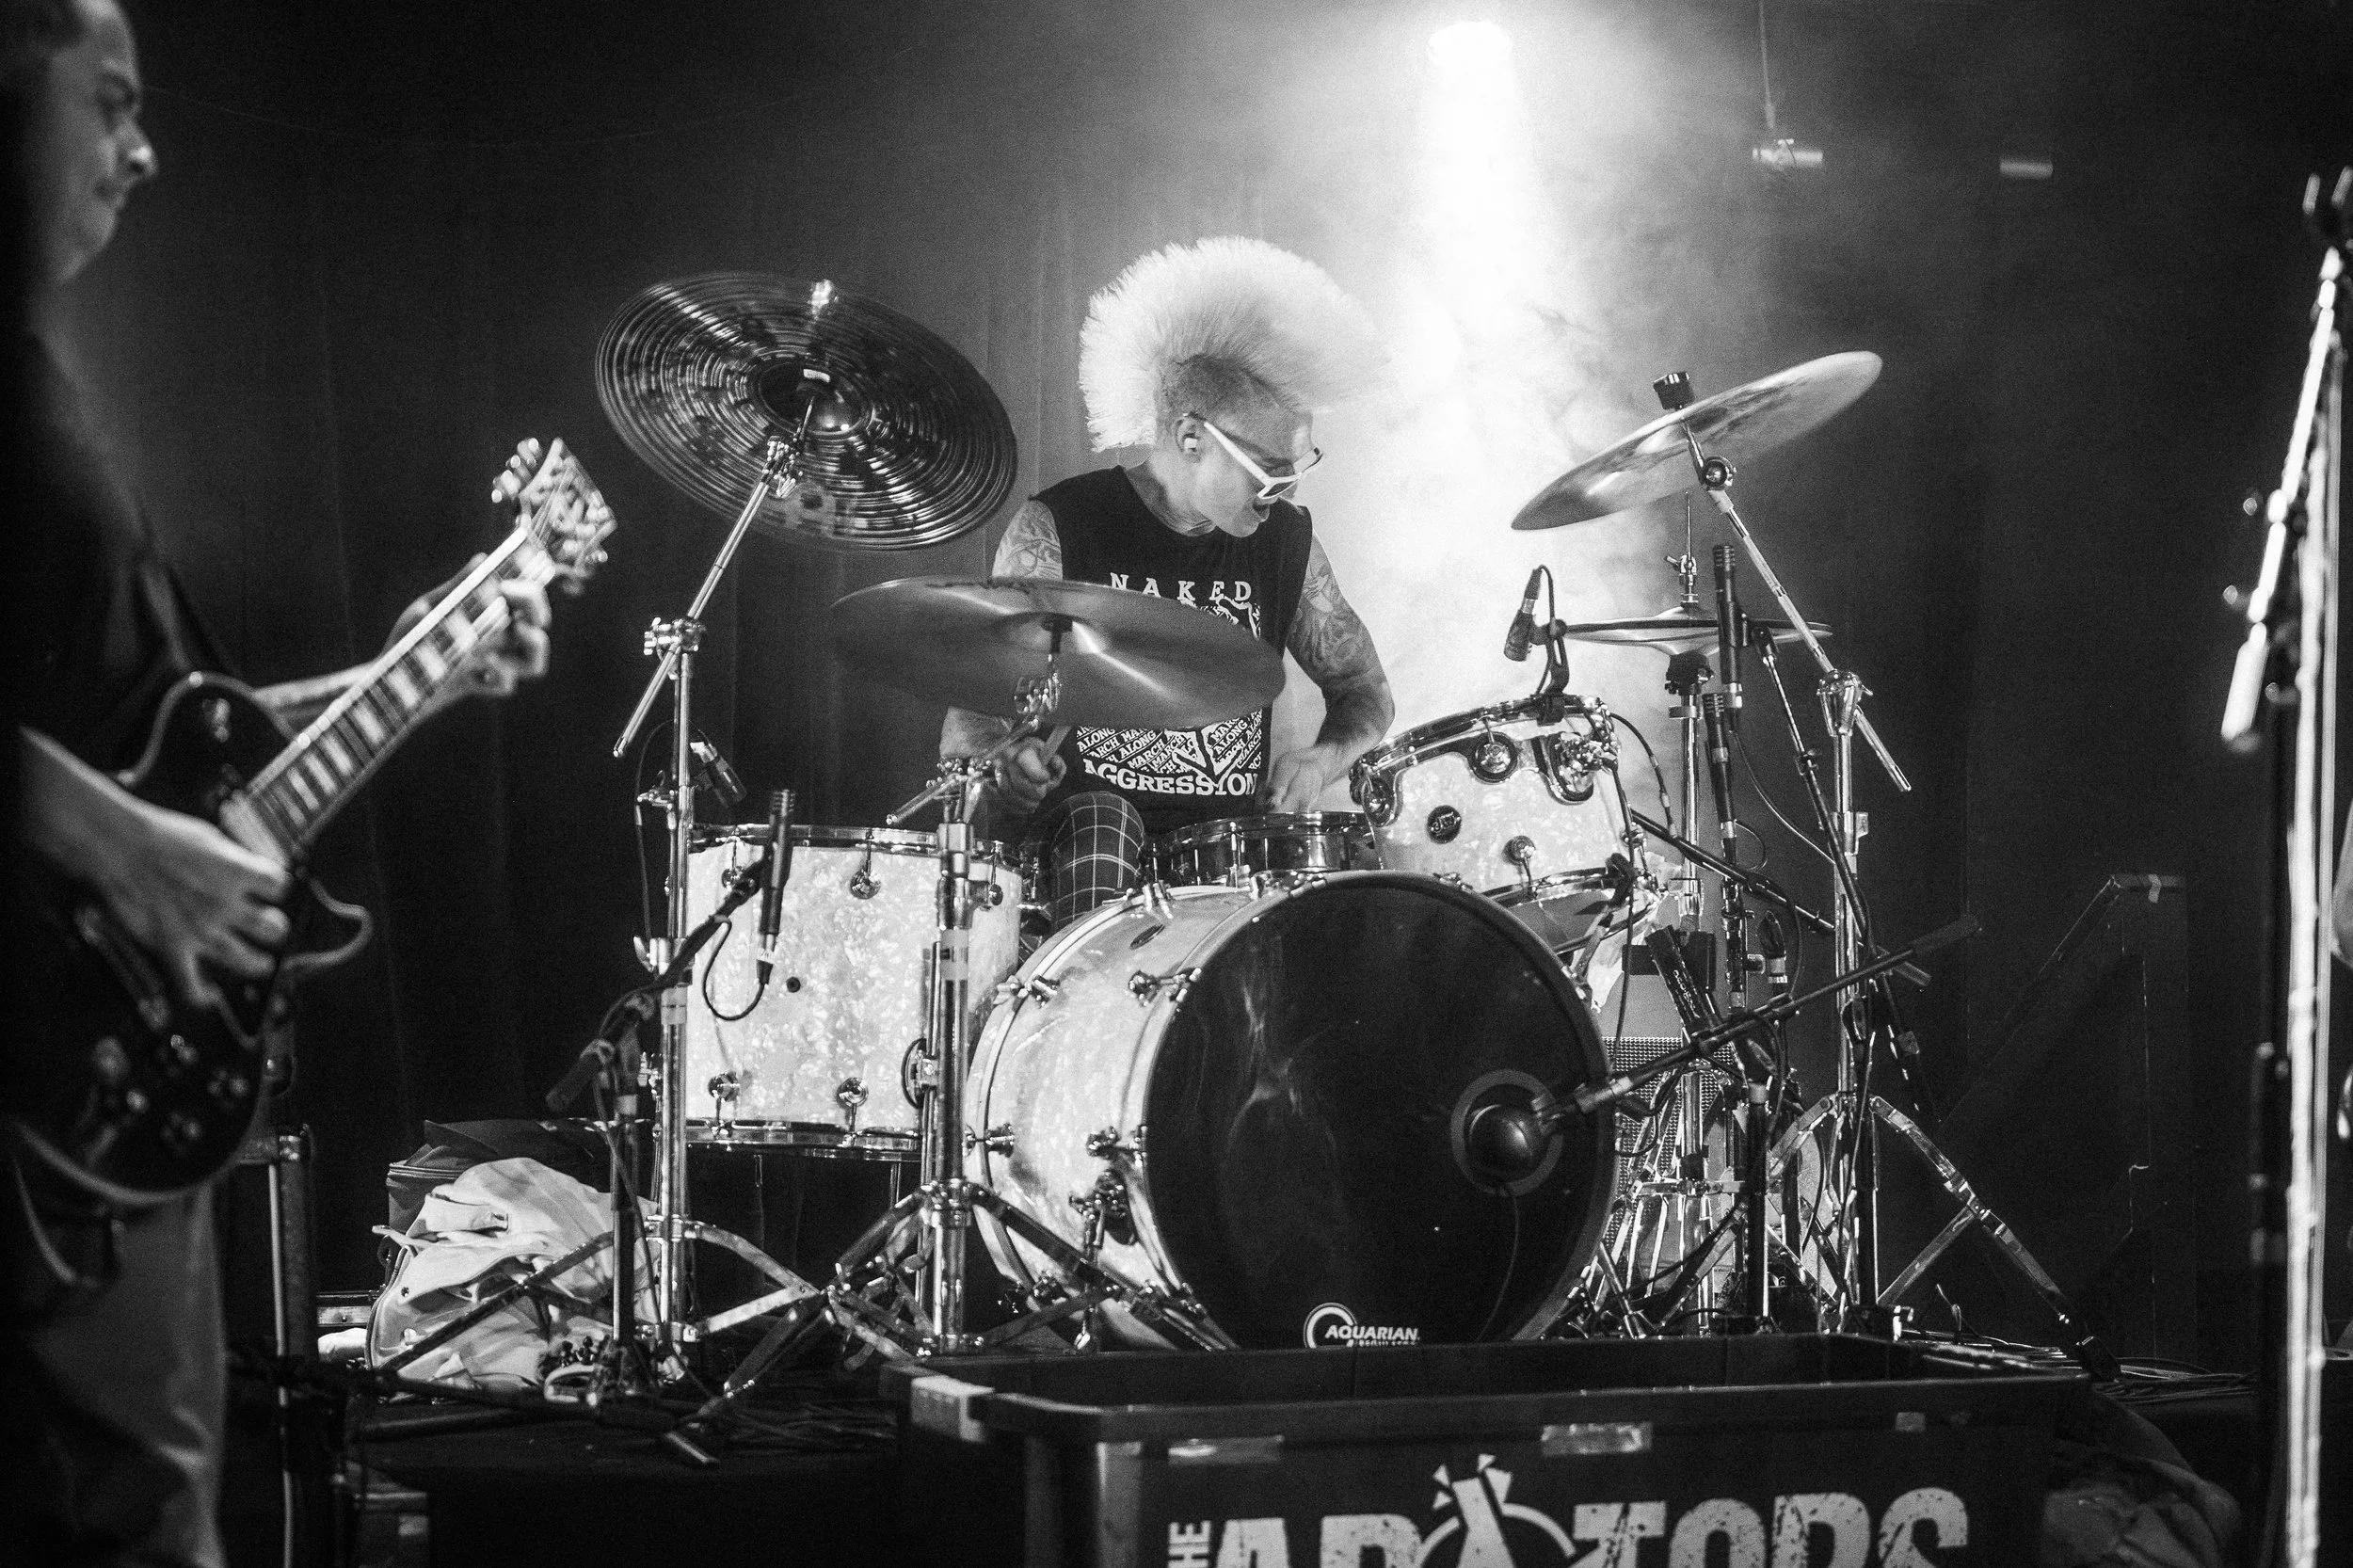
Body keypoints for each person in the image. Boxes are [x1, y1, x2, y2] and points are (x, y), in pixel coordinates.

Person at [2, 4, 551, 1562]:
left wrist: (407, 676)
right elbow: (140, 816)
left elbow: (159, 744)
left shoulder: (44, 381)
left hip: (89, 1082)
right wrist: (127, 853)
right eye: (107, 102)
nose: (144, 147)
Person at [940, 236, 1395, 927]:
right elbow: (971, 712)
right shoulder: (1060, 527)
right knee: (1104, 819)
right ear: (1191, 437)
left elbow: (1365, 691)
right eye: (1269, 469)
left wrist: (1324, 761)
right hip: (1081, 847)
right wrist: (1007, 762)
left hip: (1222, 857)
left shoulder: (1287, 543)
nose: (1285, 489)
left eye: (1298, 468)